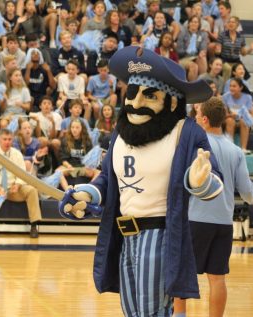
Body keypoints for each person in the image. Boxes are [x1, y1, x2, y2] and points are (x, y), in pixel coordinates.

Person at [58, 46, 223, 316]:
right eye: (132, 93)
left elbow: (213, 180)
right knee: (132, 311)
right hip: (125, 237)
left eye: (149, 95)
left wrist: (198, 180)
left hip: (159, 236)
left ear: (171, 101)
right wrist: (86, 195)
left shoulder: (185, 131)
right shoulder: (120, 136)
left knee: (153, 312)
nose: (135, 103)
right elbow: (108, 181)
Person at [173, 98, 253, 317]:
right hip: (223, 223)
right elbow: (247, 191)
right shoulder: (236, 150)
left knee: (183, 273)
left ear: (205, 119)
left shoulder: (195, 146)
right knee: (218, 278)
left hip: (195, 219)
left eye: (199, 114)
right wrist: (252, 198)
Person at [0, 128, 42, 238]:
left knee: (32, 190)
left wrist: (18, 185)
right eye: (4, 139)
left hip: (13, 189)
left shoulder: (17, 154)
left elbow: (23, 175)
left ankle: (34, 226)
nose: (7, 142)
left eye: (10, 139)